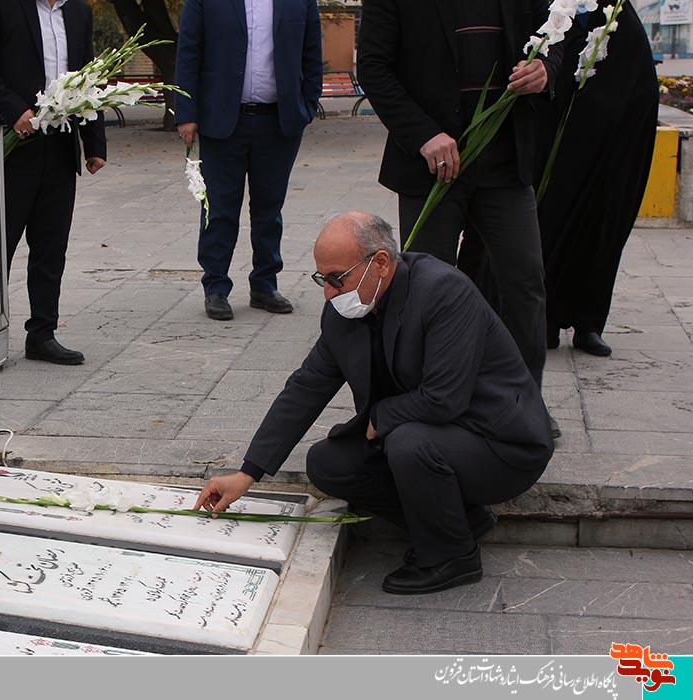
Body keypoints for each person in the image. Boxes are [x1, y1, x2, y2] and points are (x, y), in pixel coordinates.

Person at [194, 212, 554, 595]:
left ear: (380, 262)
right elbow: (306, 387)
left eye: (337, 278)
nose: (328, 292)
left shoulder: (443, 291)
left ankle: (451, 556)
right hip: (433, 435)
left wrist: (381, 416)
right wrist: (248, 473)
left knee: (407, 442)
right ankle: (461, 520)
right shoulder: (346, 308)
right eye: (322, 279)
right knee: (329, 463)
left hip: (500, 443)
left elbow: (443, 399)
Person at [356, 0, 566, 437]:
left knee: (525, 285)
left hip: (505, 162)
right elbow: (374, 68)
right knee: (422, 292)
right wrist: (423, 134)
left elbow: (553, 37)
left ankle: (526, 405)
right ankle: (425, 402)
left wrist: (544, 69)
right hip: (432, 166)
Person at [174, 0, 323, 321]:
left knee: (270, 208)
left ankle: (265, 285)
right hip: (221, 122)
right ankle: (216, 287)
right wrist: (186, 113)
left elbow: (312, 52)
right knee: (219, 209)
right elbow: (188, 52)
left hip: (278, 122)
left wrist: (308, 105)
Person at [0, 0, 107, 365]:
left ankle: (42, 334)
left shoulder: (78, 11)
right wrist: (14, 110)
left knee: (50, 249)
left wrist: (94, 143)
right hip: (13, 144)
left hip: (61, 145)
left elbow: (88, 77)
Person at [537, 1, 659, 356]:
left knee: (602, 228)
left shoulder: (618, 17)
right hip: (560, 149)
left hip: (609, 150)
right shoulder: (557, 9)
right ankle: (544, 319)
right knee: (549, 223)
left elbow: (640, 87)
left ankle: (588, 322)